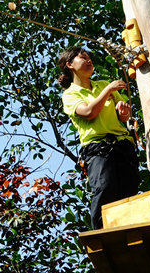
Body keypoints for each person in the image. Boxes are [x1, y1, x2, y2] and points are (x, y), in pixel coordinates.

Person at [57, 46, 139, 229]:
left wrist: (123, 111)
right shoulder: (70, 94)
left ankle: (131, 229)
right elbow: (89, 112)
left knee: (129, 190)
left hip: (122, 145)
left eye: (90, 59)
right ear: (69, 64)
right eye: (83, 58)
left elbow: (123, 115)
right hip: (98, 149)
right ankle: (103, 233)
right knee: (105, 187)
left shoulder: (102, 85)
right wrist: (109, 89)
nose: (89, 61)